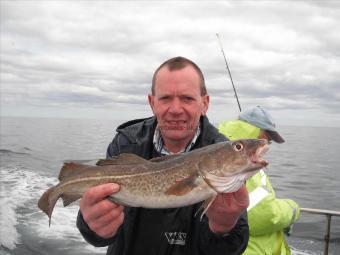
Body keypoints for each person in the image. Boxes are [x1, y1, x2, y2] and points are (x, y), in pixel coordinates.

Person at [76, 56, 250, 255]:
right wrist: (92, 226)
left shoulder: (225, 156)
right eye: (166, 98)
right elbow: (97, 231)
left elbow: (232, 249)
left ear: (205, 103)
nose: (175, 109)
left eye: (187, 98)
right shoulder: (126, 143)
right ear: (152, 102)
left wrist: (223, 228)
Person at [218, 105, 300, 255]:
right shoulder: (245, 162)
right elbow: (265, 216)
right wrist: (293, 209)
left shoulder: (217, 145)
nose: (268, 144)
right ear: (261, 135)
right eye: (269, 139)